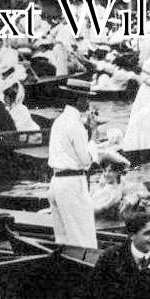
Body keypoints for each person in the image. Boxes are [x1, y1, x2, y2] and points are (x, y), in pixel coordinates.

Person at [47, 95, 100, 248]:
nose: (88, 102)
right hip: (72, 183)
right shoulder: (76, 125)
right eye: (86, 99)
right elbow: (86, 160)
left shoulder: (59, 121)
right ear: (78, 100)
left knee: (62, 237)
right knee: (82, 237)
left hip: (56, 182)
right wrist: (94, 135)